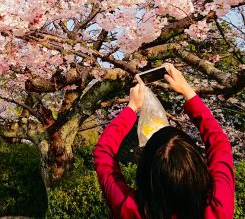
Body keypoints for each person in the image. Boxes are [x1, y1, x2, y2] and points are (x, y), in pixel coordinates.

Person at [93, 63, 235, 219]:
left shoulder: (131, 209)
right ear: (197, 167)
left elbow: (102, 153)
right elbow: (219, 144)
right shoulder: (217, 207)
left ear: (146, 171)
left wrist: (131, 108)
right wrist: (188, 92)